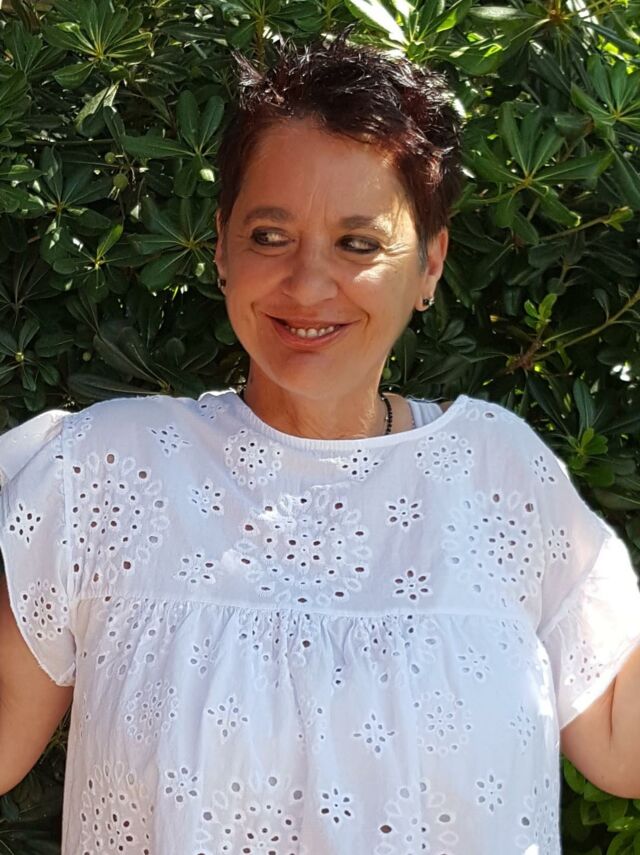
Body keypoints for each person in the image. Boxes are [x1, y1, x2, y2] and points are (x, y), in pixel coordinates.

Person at [1, 34, 639, 855]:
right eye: (270, 235)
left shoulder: (500, 474)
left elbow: (620, 740)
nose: (307, 284)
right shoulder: (104, 470)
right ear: (222, 245)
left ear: (431, 263)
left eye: (359, 243)